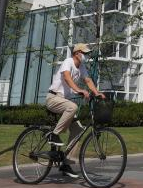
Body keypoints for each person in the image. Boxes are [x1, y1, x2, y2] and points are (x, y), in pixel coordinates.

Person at [44, 43, 104, 179]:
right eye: (84, 53)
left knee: (78, 130)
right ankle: (54, 135)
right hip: (53, 98)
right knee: (73, 107)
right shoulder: (68, 61)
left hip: (64, 102)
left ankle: (66, 164)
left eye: (87, 54)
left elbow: (88, 80)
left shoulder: (81, 67)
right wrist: (79, 90)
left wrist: (97, 92)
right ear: (77, 53)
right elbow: (67, 77)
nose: (86, 56)